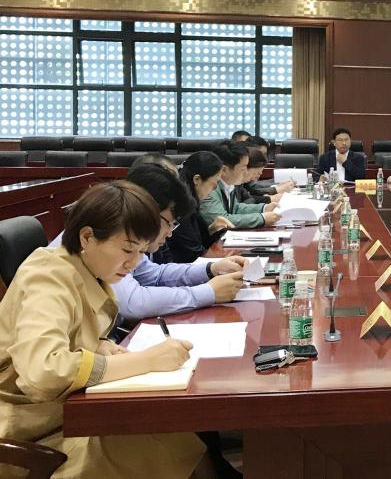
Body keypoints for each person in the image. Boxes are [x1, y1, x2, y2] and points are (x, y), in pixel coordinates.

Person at [0, 181, 213, 478]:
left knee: (162, 427)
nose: (133, 263)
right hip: (27, 429)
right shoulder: (48, 275)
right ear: (87, 236)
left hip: (62, 409)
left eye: (140, 252)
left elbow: (68, 331)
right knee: (145, 435)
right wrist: (146, 361)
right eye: (127, 249)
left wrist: (98, 344)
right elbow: (44, 370)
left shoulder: (87, 268)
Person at [50, 163, 246, 323]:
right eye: (169, 223)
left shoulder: (126, 241)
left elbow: (154, 275)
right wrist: (208, 293)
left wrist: (211, 269)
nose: (170, 233)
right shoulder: (104, 237)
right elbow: (132, 303)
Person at [161, 152, 230, 264]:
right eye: (214, 182)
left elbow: (199, 243)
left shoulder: (192, 200)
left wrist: (212, 230)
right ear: (197, 179)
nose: (215, 188)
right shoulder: (179, 203)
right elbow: (193, 253)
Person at [200, 140, 280, 230]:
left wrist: (264, 208)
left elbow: (236, 208)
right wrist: (262, 218)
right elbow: (222, 220)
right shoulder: (209, 188)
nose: (246, 172)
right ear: (224, 170)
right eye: (243, 168)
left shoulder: (228, 184)